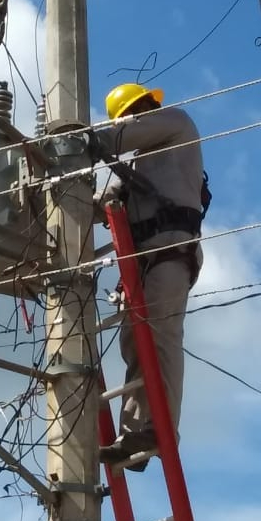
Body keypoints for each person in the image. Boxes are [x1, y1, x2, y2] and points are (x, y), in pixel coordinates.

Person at [95, 83, 205, 471]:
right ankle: (134, 432)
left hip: (171, 248)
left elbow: (109, 138)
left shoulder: (176, 124)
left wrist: (68, 142)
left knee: (160, 338)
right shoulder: (140, 162)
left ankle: (160, 430)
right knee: (134, 342)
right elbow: (103, 201)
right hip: (144, 259)